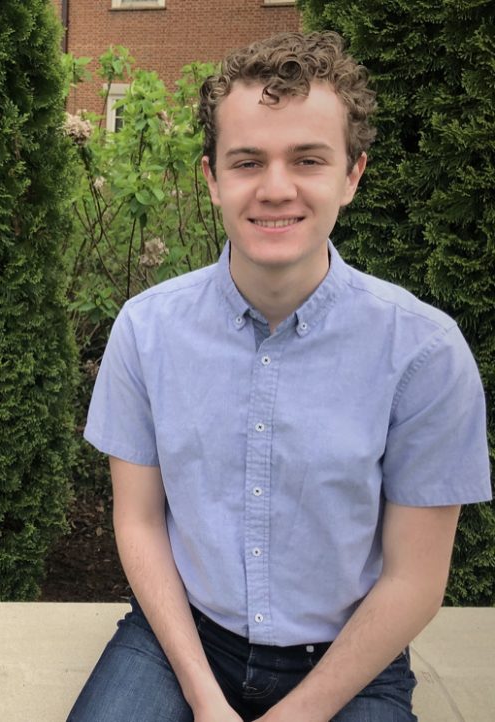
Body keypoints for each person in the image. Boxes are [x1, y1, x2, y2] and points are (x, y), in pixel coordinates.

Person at [68, 31, 490, 722]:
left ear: (352, 175)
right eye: (247, 161)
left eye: (308, 159)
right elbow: (139, 521)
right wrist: (204, 697)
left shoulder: (424, 354)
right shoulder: (147, 331)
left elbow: (416, 579)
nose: (275, 188)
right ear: (211, 179)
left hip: (349, 659)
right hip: (183, 637)